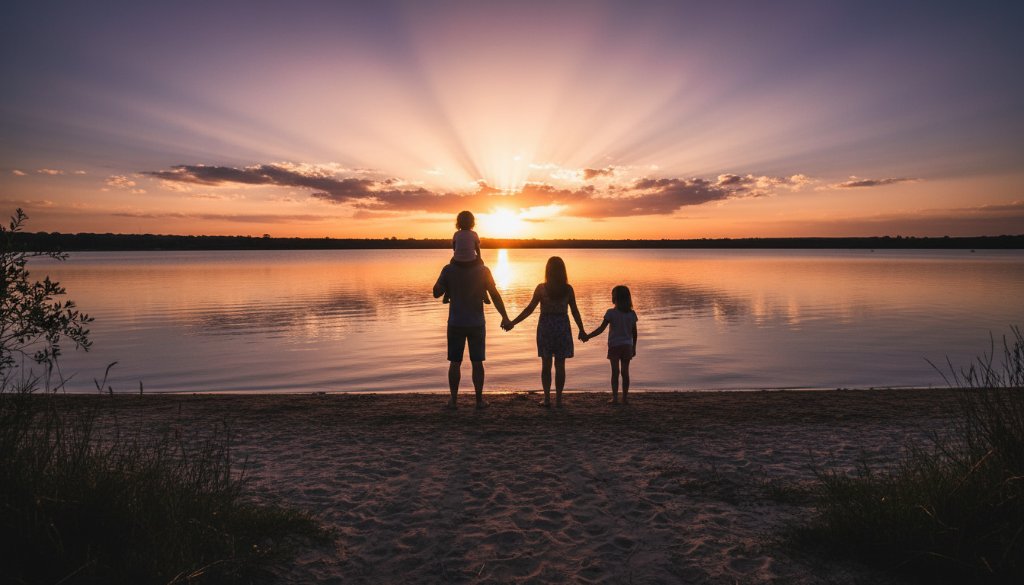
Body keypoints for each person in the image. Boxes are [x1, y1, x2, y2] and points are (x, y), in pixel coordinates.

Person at [507, 256, 587, 407]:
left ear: (548, 271)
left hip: (546, 328)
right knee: (560, 365)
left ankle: (547, 399)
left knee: (546, 365)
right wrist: (581, 330)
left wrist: (513, 322)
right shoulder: (568, 289)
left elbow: (529, 309)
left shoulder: (541, 288)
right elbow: (575, 311)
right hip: (562, 327)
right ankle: (558, 400)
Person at [433, 256, 511, 409]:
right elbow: (494, 295)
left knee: (455, 362)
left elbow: (436, 293)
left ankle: (453, 401)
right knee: (477, 363)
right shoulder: (483, 271)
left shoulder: (448, 270)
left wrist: (447, 285)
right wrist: (505, 317)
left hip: (456, 323)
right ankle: (479, 401)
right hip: (476, 323)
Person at [583, 285, 638, 405]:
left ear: (616, 298)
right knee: (625, 372)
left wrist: (588, 336)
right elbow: (634, 333)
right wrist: (634, 347)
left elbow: (601, 329)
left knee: (615, 372)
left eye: (612, 295)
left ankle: (615, 398)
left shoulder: (611, 313)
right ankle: (624, 398)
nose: (611, 297)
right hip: (627, 346)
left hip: (614, 346)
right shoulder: (632, 314)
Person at [442, 210, 489, 304]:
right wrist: (479, 259)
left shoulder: (456, 234)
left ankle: (446, 295)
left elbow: (454, 249)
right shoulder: (474, 234)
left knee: (450, 268)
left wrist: (459, 256)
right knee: (482, 269)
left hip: (457, 261)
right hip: (472, 261)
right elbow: (477, 249)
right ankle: (484, 293)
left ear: (458, 223)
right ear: (472, 223)